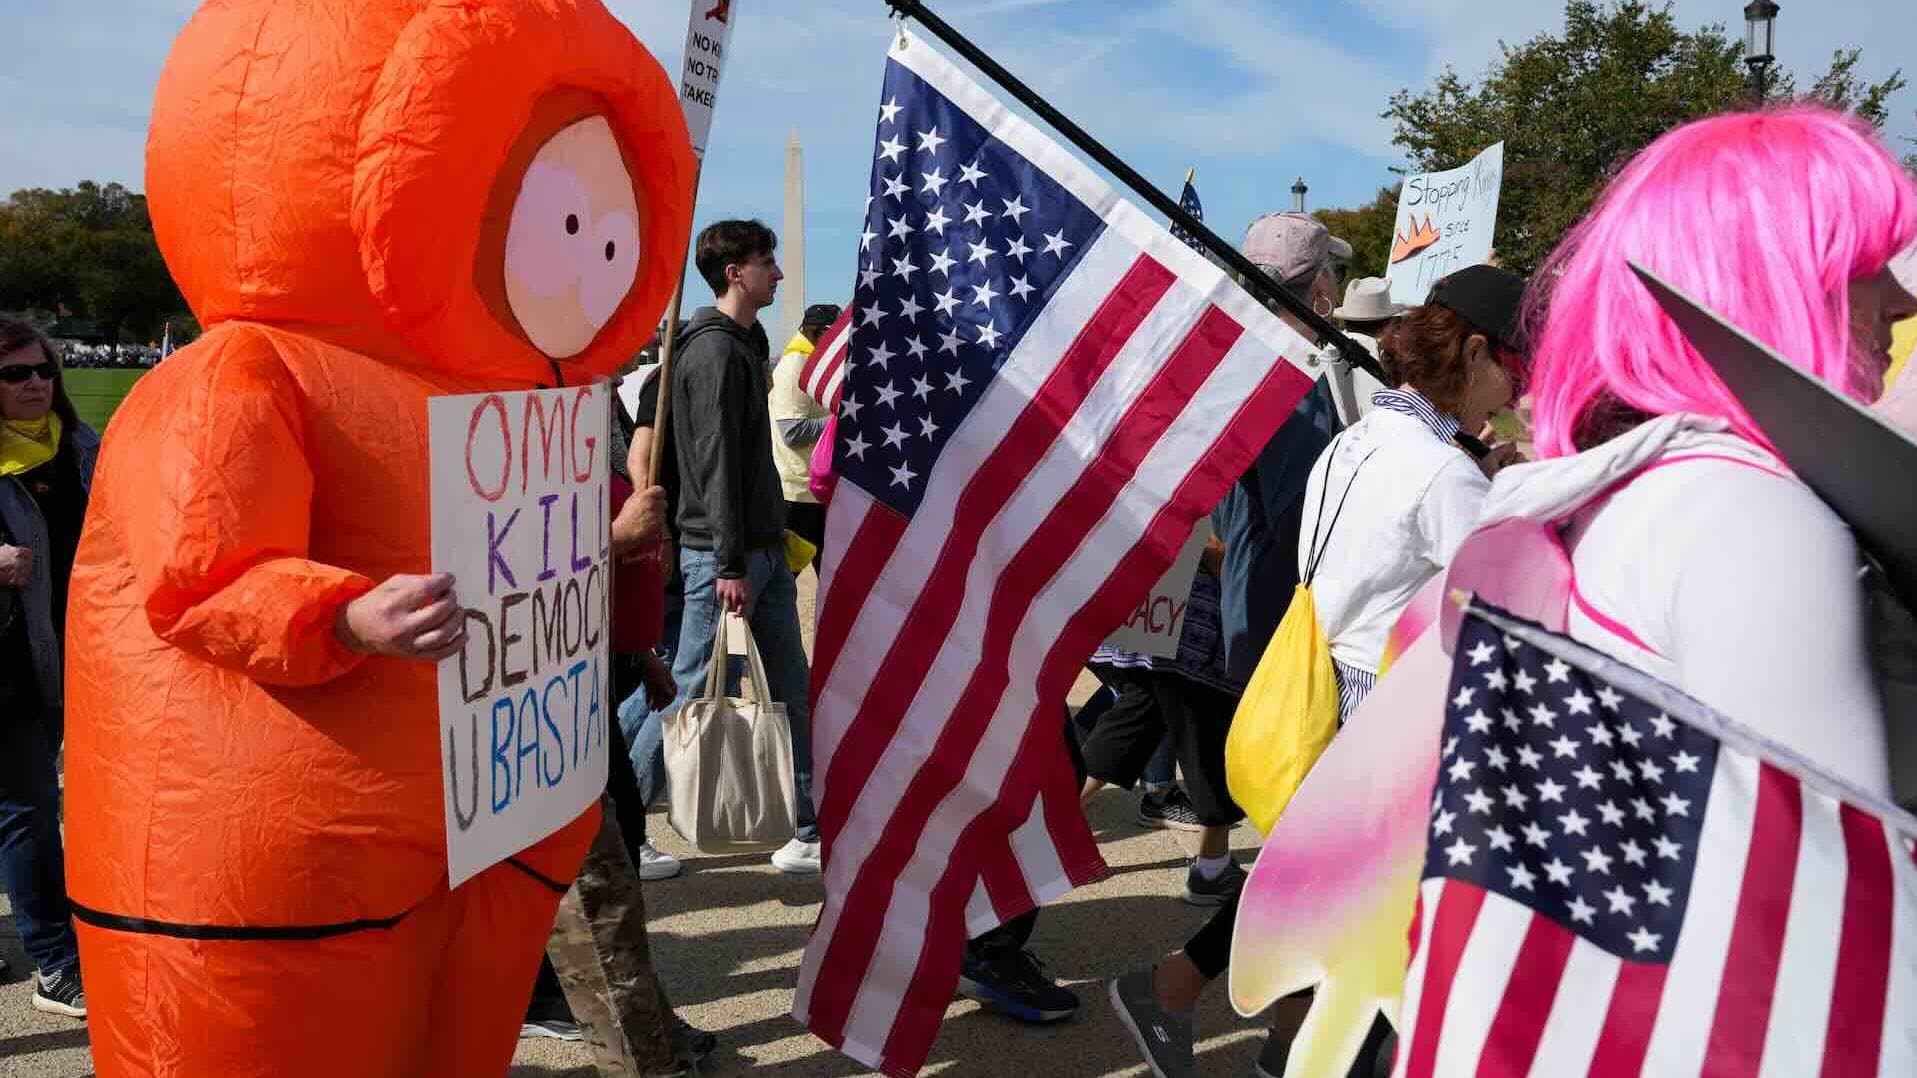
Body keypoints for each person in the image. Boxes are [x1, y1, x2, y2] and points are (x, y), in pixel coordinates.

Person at [59, 3, 698, 1075]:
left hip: (485, 827)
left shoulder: (519, 408)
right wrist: (341, 611)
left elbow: (508, 549)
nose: (588, 246)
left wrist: (605, 541)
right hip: (295, 866)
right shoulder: (248, 371)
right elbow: (200, 574)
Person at [1110, 264, 1529, 1078]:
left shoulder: (1363, 436)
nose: (1517, 384)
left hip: (1321, 681)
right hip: (1385, 707)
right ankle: (1200, 1001)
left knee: (1317, 886)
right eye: (1514, 363)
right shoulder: (1441, 470)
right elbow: (1508, 600)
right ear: (1474, 354)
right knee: (1361, 904)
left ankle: (1235, 1019)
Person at [1480, 106, 1914, 798]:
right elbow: (1827, 883)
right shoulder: (1752, 520)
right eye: (1863, 267)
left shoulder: (1642, 490)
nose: (1902, 302)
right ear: (1759, 279)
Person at [638, 218, 822, 875]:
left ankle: (805, 824)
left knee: (788, 690)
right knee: (690, 689)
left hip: (759, 550)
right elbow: (715, 460)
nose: (776, 271)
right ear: (734, 272)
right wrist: (728, 562)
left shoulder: (745, 342)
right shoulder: (713, 352)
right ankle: (625, 827)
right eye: (764, 260)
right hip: (724, 557)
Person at [0, 316, 92, 1019]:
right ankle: (56, 964)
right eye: (14, 374)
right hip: (8, 669)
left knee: (21, 808)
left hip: (70, 655)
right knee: (28, 811)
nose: (34, 384)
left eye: (41, 371)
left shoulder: (80, 446)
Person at [1079, 544, 1246, 906]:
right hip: (1192, 623)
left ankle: (1045, 832)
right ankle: (1212, 869)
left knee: (1135, 719)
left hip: (1155, 608)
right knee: (1205, 740)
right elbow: (1217, 546)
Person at [769, 303, 842, 569]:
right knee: (784, 581)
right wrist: (838, 421)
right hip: (797, 497)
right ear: (820, 333)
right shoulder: (795, 365)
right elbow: (792, 432)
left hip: (817, 491)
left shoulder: (811, 362)